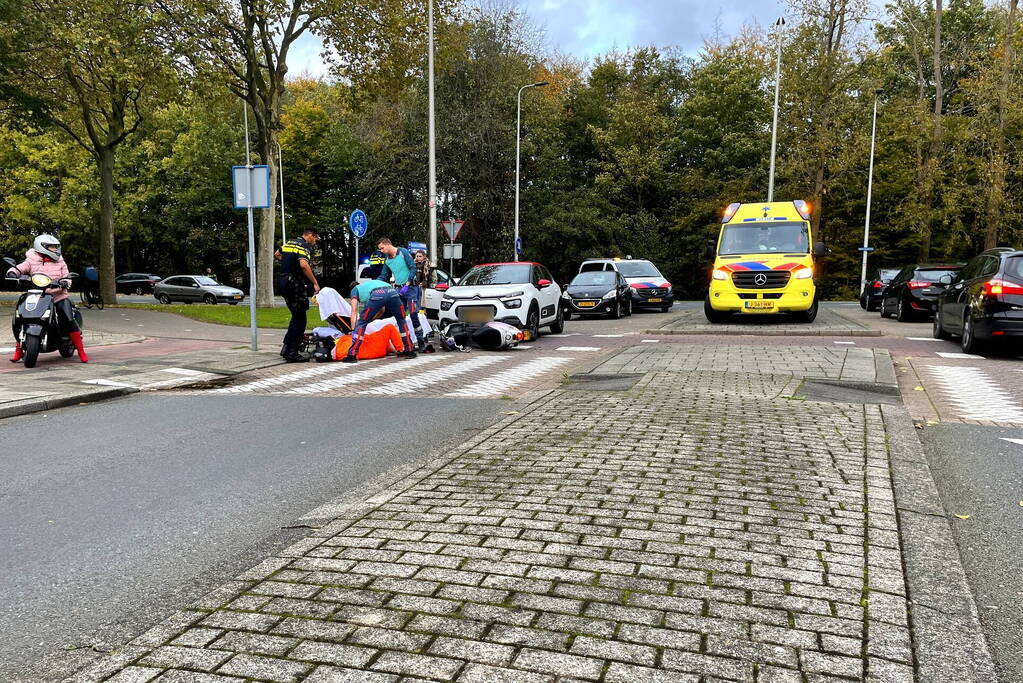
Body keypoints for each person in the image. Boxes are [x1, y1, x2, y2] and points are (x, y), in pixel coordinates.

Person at [6, 234, 88, 363]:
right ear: (42, 247)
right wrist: (13, 273)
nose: (56, 250)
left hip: (58, 296)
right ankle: (19, 350)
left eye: (56, 247)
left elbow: (66, 276)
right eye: (52, 247)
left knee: (68, 318)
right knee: (22, 315)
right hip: (37, 295)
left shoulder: (60, 261)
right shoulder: (31, 260)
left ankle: (81, 351)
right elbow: (20, 268)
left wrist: (65, 282)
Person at [274, 228, 320, 362]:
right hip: (294, 283)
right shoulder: (304, 246)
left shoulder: (289, 243)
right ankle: (292, 353)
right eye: (315, 238)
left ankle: (286, 348)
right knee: (300, 319)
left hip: (283, 281)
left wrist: (289, 263)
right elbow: (304, 265)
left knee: (296, 316)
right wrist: (315, 282)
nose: (315, 241)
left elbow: (277, 254)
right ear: (310, 236)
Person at [342, 278, 415, 363]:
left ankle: (352, 355)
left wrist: (353, 329)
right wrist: (370, 320)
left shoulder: (354, 290)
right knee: (401, 320)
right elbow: (382, 309)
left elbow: (354, 312)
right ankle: (409, 351)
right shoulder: (370, 285)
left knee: (361, 323)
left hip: (378, 294)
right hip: (393, 292)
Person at [377, 237, 426, 351]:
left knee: (413, 315)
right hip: (399, 290)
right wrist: (374, 284)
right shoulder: (387, 260)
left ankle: (421, 342)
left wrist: (407, 284)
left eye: (382, 248)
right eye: (380, 249)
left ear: (388, 245)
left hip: (411, 289)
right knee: (400, 317)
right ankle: (408, 344)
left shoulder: (402, 252)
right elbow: (383, 275)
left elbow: (413, 268)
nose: (382, 251)